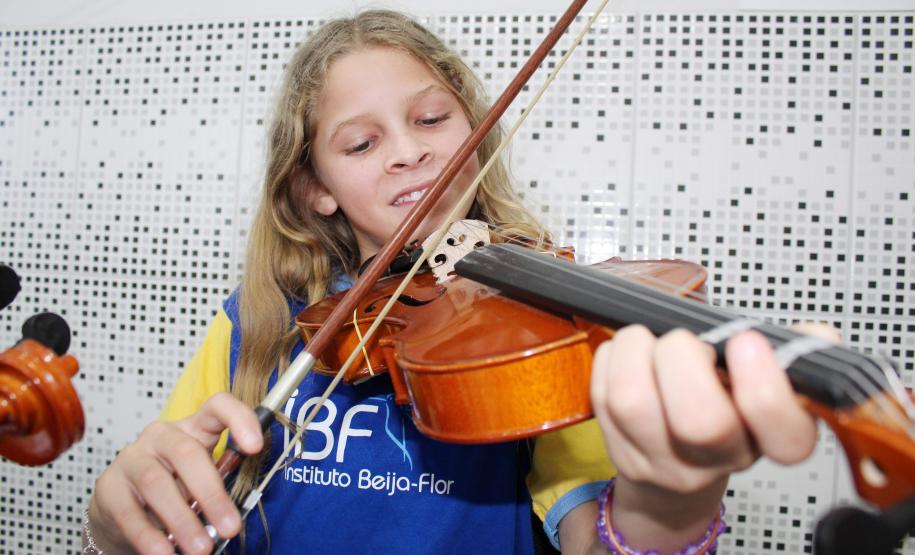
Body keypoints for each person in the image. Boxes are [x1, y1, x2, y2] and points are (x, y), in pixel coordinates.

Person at [83, 9, 822, 555]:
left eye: (432, 118)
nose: (408, 152)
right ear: (315, 188)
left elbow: (593, 542)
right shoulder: (258, 323)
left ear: (475, 132)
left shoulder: (537, 331)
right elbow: (161, 506)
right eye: (361, 143)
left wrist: (666, 505)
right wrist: (114, 529)